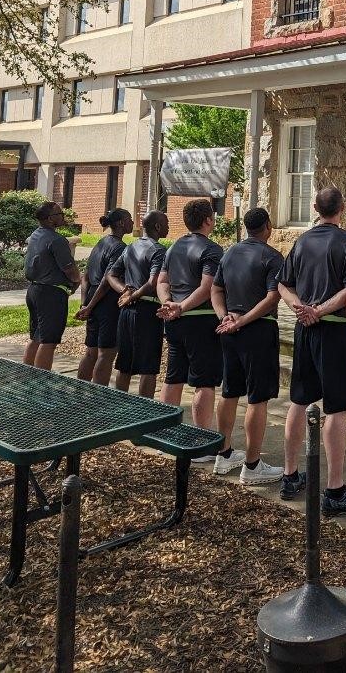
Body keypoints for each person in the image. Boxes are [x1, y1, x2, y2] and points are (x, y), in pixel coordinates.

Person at [278, 186, 346, 512]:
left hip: (306, 329)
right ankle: (335, 489)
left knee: (299, 401)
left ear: (315, 207)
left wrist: (300, 307)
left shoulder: (302, 241)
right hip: (334, 331)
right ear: (342, 208)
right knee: (336, 409)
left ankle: (290, 476)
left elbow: (281, 284)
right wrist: (316, 310)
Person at [211, 206, 285, 485]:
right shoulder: (273, 257)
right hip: (258, 331)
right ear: (267, 226)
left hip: (229, 329)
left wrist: (225, 317)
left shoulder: (229, 253)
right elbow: (272, 297)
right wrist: (243, 320)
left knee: (229, 390)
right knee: (258, 397)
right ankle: (252, 465)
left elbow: (216, 289)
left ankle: (224, 452)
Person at [156, 199, 224, 452]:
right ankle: (201, 441)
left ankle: (165, 434)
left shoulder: (173, 247)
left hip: (174, 321)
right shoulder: (212, 250)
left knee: (173, 377)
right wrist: (181, 307)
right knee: (204, 382)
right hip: (200, 321)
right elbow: (207, 288)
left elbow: (162, 281)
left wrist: (168, 304)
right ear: (208, 220)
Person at [108, 210, 170, 397]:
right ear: (158, 227)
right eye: (166, 223)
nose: (169, 226)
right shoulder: (159, 251)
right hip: (147, 311)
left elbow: (111, 275)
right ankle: (146, 412)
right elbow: (153, 283)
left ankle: (119, 405)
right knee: (148, 367)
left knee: (124, 364)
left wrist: (124, 291)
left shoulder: (130, 247)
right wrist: (131, 295)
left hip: (126, 311)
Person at [75, 208, 134, 385]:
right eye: (129, 219)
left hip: (92, 297)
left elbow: (85, 276)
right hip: (106, 301)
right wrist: (90, 306)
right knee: (106, 353)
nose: (132, 222)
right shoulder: (120, 248)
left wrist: (84, 303)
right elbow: (107, 280)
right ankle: (99, 397)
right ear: (121, 223)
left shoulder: (100, 243)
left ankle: (81, 390)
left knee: (91, 351)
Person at [23, 201, 81, 370]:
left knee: (36, 336)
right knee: (49, 340)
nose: (63, 216)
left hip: (34, 291)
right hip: (50, 294)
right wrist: (77, 281)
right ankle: (43, 379)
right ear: (49, 219)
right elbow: (70, 269)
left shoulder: (35, 235)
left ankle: (28, 375)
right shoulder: (57, 240)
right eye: (59, 214)